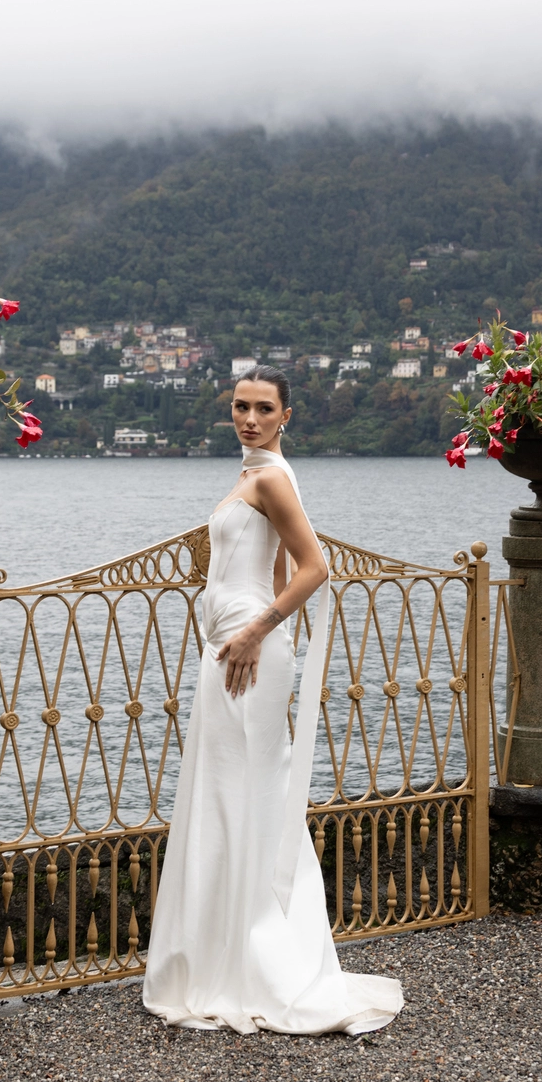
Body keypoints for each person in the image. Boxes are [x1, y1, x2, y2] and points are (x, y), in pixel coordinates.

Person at [142, 367, 403, 1035]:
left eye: (264, 408)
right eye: (240, 406)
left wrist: (261, 629)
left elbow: (316, 566)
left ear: (287, 414)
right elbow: (280, 566)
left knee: (243, 794)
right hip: (233, 644)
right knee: (228, 794)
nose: (249, 418)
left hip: (247, 649)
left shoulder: (272, 478)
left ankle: (253, 957)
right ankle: (224, 953)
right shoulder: (249, 476)